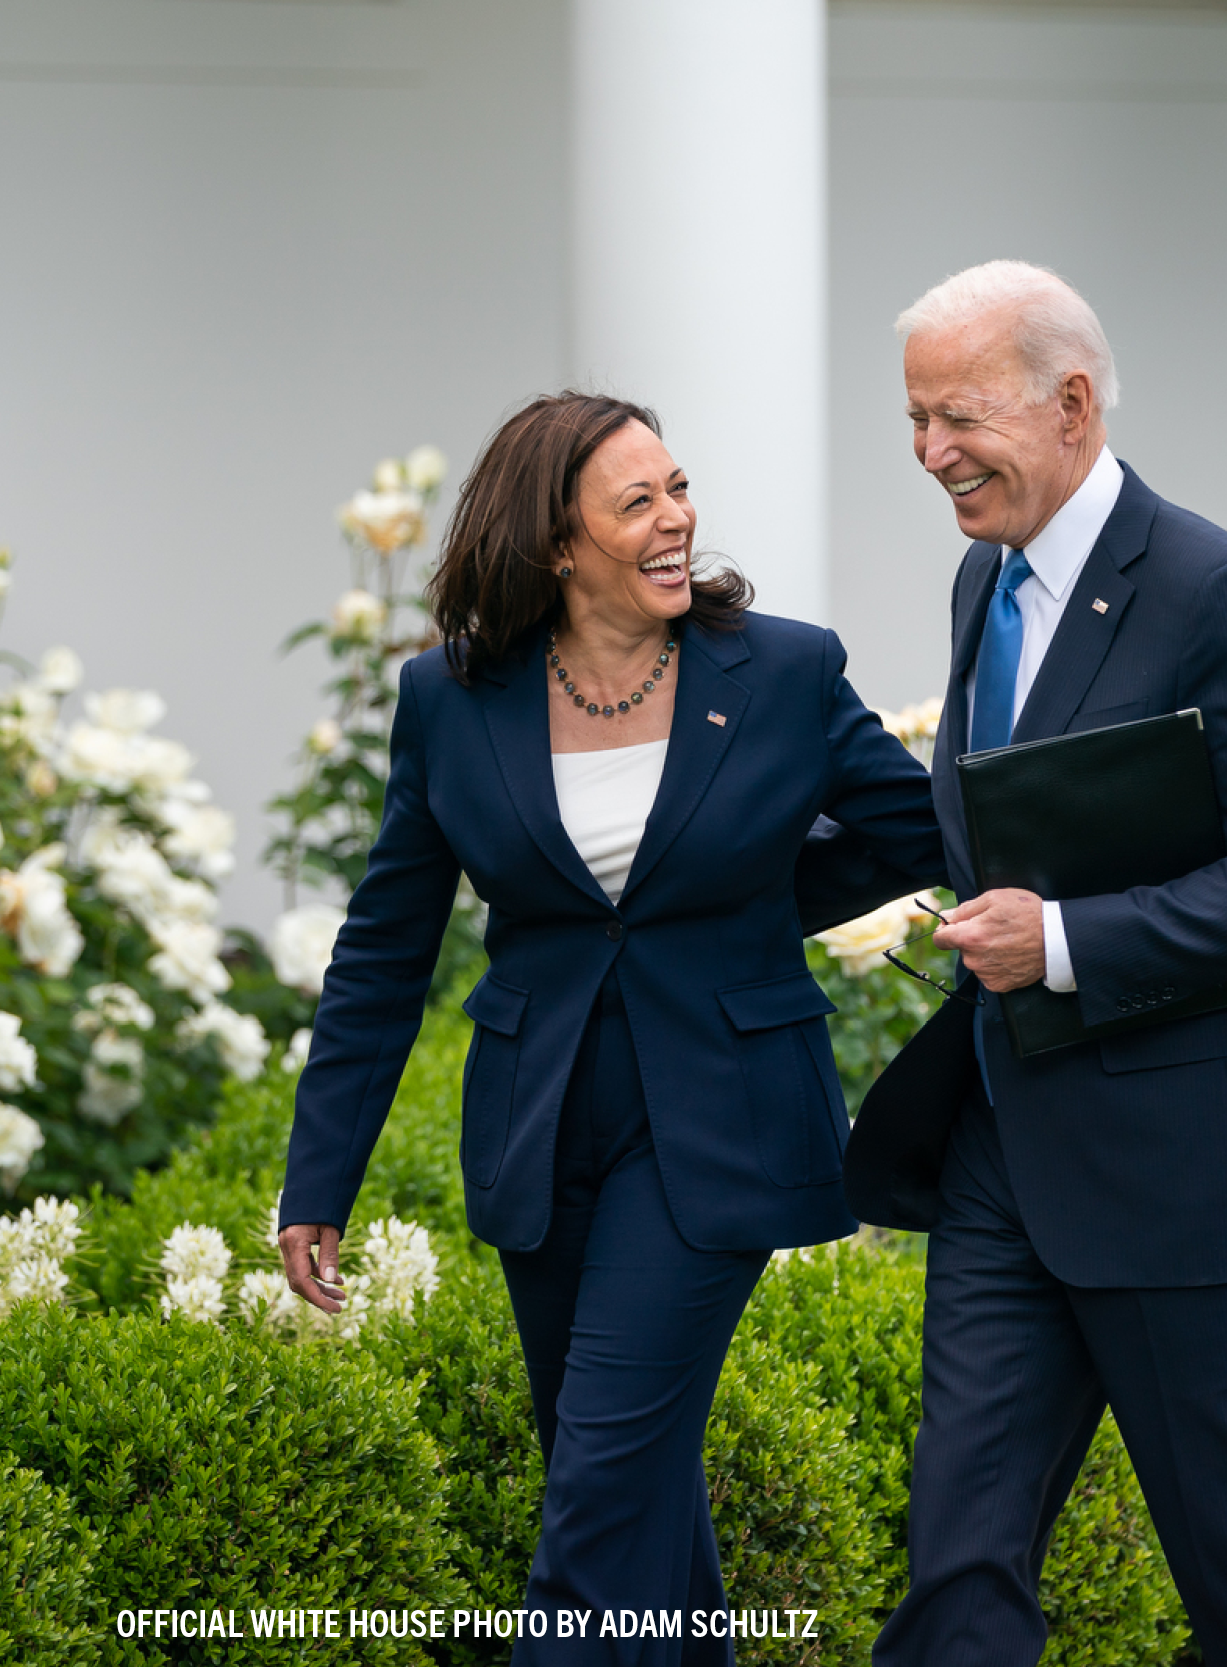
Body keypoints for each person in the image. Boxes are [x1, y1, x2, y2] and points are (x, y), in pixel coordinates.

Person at [276, 391, 943, 1663]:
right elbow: (383, 945)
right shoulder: (450, 698)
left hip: (720, 1124)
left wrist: (746, 908)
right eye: (637, 501)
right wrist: (320, 1179)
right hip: (542, 1125)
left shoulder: (783, 669)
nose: (676, 518)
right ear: (555, 543)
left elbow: (911, 828)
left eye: (678, 488)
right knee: (626, 1483)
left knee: (594, 1491)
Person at [847, 261, 1227, 1664]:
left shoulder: (1214, 587)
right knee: (955, 1575)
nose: (929, 453)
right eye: (913, 420)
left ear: (1071, 403)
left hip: (1184, 1170)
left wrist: (1068, 941)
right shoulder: (987, 576)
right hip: (1004, 1160)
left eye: (956, 416)